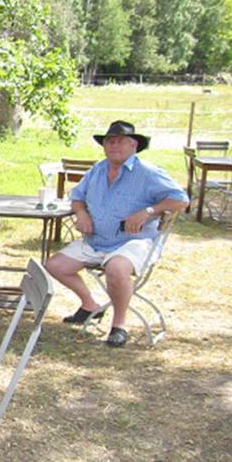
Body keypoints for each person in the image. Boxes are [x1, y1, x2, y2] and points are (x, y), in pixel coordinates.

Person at [44, 121, 188, 348]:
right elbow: (77, 197)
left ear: (134, 145)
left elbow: (181, 200)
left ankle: (119, 324)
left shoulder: (148, 173)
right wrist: (81, 213)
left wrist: (148, 211)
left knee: (117, 268)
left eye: (120, 141)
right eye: (109, 141)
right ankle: (90, 305)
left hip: (134, 241)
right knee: (54, 265)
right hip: (97, 240)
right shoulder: (97, 170)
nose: (114, 146)